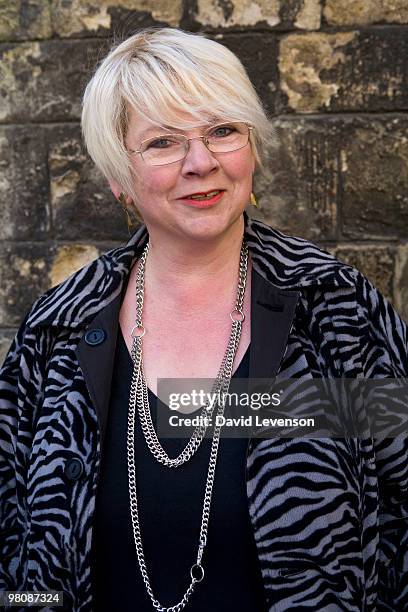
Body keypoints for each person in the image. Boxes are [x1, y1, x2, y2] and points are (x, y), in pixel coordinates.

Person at [0, 26, 407, 612]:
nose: (201, 162)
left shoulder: (336, 310)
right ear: (119, 176)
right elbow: (14, 553)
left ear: (253, 147)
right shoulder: (57, 330)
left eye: (222, 131)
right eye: (163, 142)